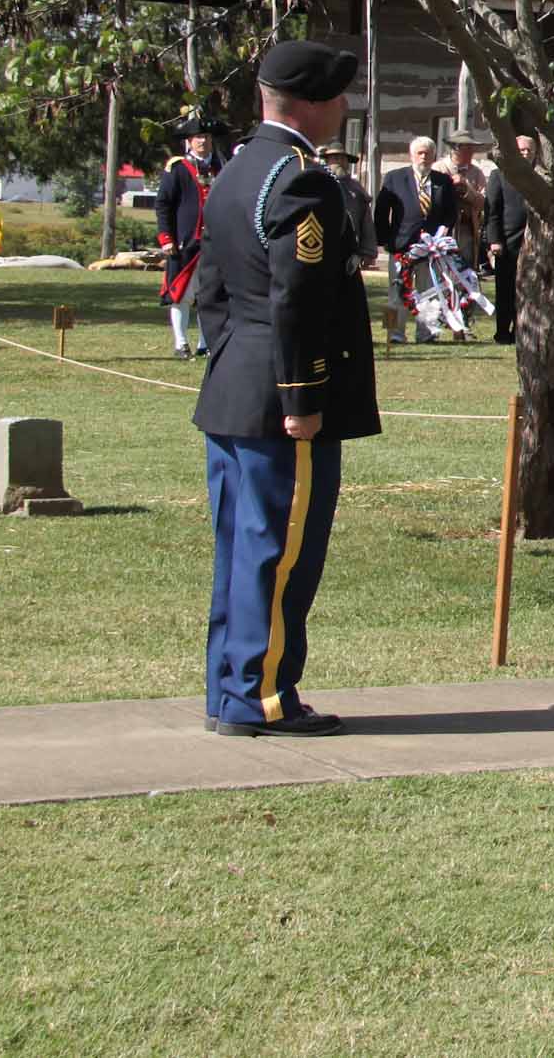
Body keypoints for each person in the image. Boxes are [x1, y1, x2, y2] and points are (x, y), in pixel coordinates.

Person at [192, 39, 380, 736]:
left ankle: (229, 687)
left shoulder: (239, 169)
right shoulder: (301, 179)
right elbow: (297, 297)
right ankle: (263, 693)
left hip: (237, 382)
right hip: (282, 397)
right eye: (337, 97)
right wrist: (302, 395)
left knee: (240, 548)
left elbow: (211, 286)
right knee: (280, 551)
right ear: (309, 103)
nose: (342, 109)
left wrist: (233, 356)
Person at [155, 110, 226, 358]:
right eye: (198, 137)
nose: (203, 142)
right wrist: (166, 238)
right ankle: (181, 343)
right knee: (181, 294)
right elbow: (163, 205)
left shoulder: (222, 167)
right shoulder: (177, 168)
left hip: (216, 243)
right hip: (185, 242)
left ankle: (205, 344)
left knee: (210, 295)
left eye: (206, 137)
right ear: (189, 141)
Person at [374, 135, 457, 342]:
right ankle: (393, 333)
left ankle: (427, 333)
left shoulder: (443, 181)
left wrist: (444, 231)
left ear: (433, 156)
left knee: (429, 291)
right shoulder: (394, 178)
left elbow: (450, 212)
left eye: (428, 153)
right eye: (419, 153)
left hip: (430, 247)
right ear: (411, 155)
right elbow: (381, 211)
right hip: (401, 245)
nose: (423, 157)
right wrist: (383, 240)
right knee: (395, 293)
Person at [483, 134, 533, 344]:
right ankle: (503, 331)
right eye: (521, 150)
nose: (526, 154)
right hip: (507, 242)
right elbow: (492, 211)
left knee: (530, 290)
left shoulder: (539, 176)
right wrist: (494, 240)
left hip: (533, 242)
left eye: (530, 150)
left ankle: (524, 331)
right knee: (506, 289)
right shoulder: (499, 175)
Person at [317, 144, 378, 270]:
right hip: (321, 247)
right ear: (327, 161)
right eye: (335, 158)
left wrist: (368, 252)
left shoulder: (356, 188)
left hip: (349, 250)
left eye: (342, 158)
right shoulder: (318, 183)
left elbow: (366, 222)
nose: (339, 162)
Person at [436, 129, 489, 267]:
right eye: (468, 149)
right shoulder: (438, 168)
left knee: (465, 270)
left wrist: (466, 187)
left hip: (467, 228)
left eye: (473, 148)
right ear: (456, 149)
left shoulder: (477, 173)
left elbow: (483, 202)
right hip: (442, 229)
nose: (472, 152)